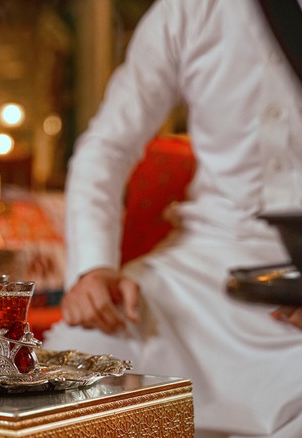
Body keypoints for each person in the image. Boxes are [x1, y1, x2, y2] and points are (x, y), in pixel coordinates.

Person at [43, 1, 302, 437]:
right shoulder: (189, 9)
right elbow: (106, 147)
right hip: (200, 272)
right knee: (80, 361)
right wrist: (93, 270)